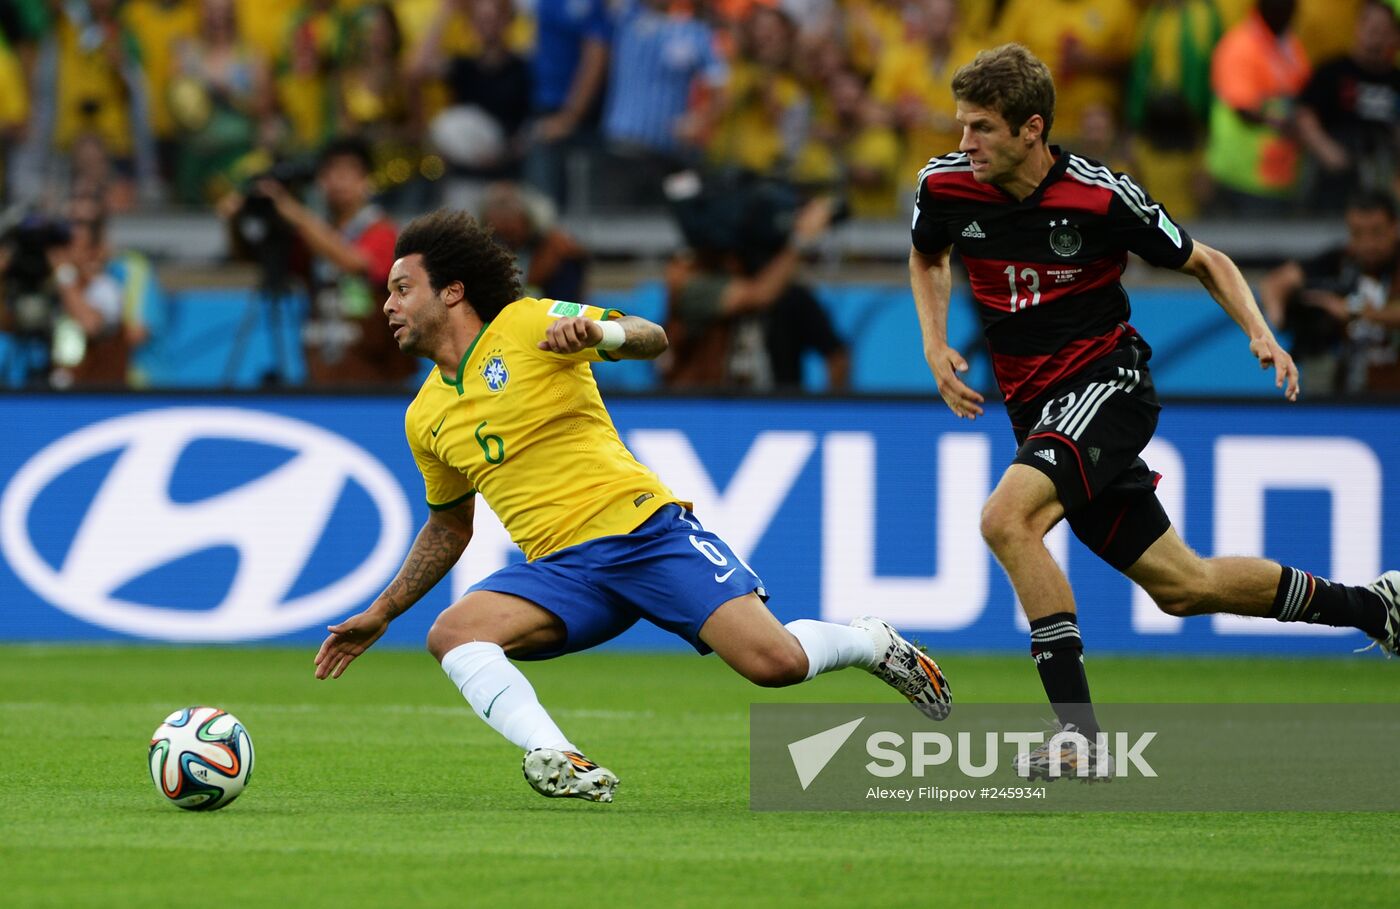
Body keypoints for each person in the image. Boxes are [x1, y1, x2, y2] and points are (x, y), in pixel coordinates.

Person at [313, 208, 951, 802]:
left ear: (452, 291)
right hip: (564, 574)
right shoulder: (424, 416)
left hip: (646, 534)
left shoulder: (528, 321)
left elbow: (653, 336)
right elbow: (450, 527)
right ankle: (558, 756)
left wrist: (601, 332)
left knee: (775, 664)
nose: (388, 304)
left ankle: (871, 642)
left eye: (402, 289)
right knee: (453, 633)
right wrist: (383, 610)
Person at [908, 43, 1400, 780]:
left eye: (980, 128)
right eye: (961, 126)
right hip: (1039, 409)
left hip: (1110, 385)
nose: (963, 143)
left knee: (1006, 519)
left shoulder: (1103, 197)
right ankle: (1373, 607)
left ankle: (1078, 735)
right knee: (1183, 585)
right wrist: (935, 344)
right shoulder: (946, 186)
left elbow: (1207, 260)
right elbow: (928, 255)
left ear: (1030, 129)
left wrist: (1260, 332)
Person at [251, 135, 414, 386]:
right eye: (330, 173)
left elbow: (354, 263)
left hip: (377, 376)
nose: (338, 181)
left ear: (367, 180)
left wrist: (296, 214)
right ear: (320, 182)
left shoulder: (382, 230)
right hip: (322, 368)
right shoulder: (312, 233)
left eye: (348, 172)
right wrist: (241, 217)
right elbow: (255, 257)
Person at [1258, 190, 1400, 394]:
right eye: (1358, 234)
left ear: (1394, 228)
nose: (1368, 244)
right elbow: (1275, 282)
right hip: (1349, 396)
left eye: (1376, 232)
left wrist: (1351, 310)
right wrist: (1275, 322)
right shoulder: (1341, 260)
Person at [1294, 0, 1400, 213]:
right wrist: (1326, 149)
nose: (1374, 36)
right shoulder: (1332, 71)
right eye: (1369, 27)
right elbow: (1304, 115)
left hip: (1382, 176)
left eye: (1381, 30)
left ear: (1394, 37)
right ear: (1357, 28)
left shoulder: (1396, 81)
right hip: (1333, 176)